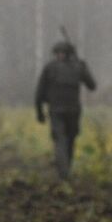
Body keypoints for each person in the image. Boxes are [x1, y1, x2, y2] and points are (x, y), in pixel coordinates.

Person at [34, 39, 96, 179]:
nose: (59, 55)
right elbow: (92, 85)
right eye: (58, 53)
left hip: (58, 110)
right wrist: (83, 67)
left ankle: (63, 171)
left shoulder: (50, 68)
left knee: (61, 140)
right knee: (68, 140)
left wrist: (39, 112)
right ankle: (65, 170)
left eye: (61, 53)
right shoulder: (79, 67)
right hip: (72, 110)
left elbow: (39, 92)